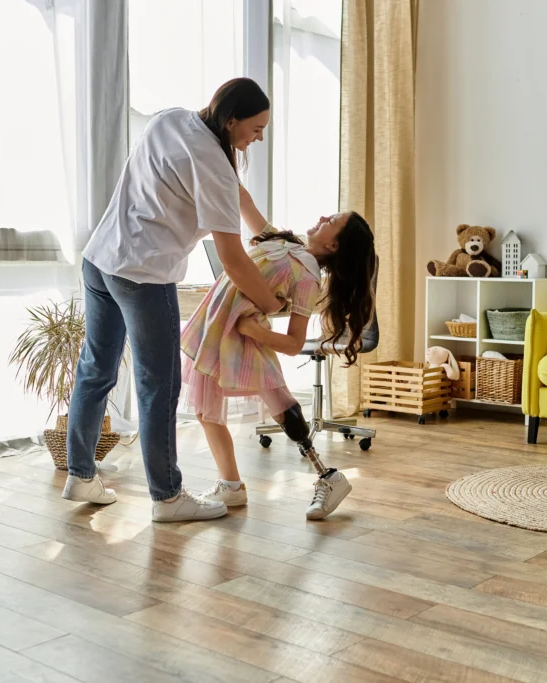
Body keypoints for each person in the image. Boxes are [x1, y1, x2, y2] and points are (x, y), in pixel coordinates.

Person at [63, 78, 285, 523]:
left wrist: (267, 232)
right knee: (158, 385)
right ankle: (167, 497)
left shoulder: (172, 119)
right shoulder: (215, 165)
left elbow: (234, 194)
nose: (259, 137)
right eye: (257, 128)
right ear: (232, 120)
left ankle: (81, 474)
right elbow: (232, 260)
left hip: (100, 260)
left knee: (96, 368)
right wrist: (273, 303)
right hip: (143, 275)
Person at [180, 185, 376, 519]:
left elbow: (295, 343)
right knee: (206, 412)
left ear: (333, 244)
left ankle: (328, 478)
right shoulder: (286, 243)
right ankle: (231, 487)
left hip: (241, 338)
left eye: (332, 220)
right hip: (218, 330)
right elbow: (247, 203)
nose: (322, 217)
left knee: (284, 409)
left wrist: (254, 330)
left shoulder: (308, 278)